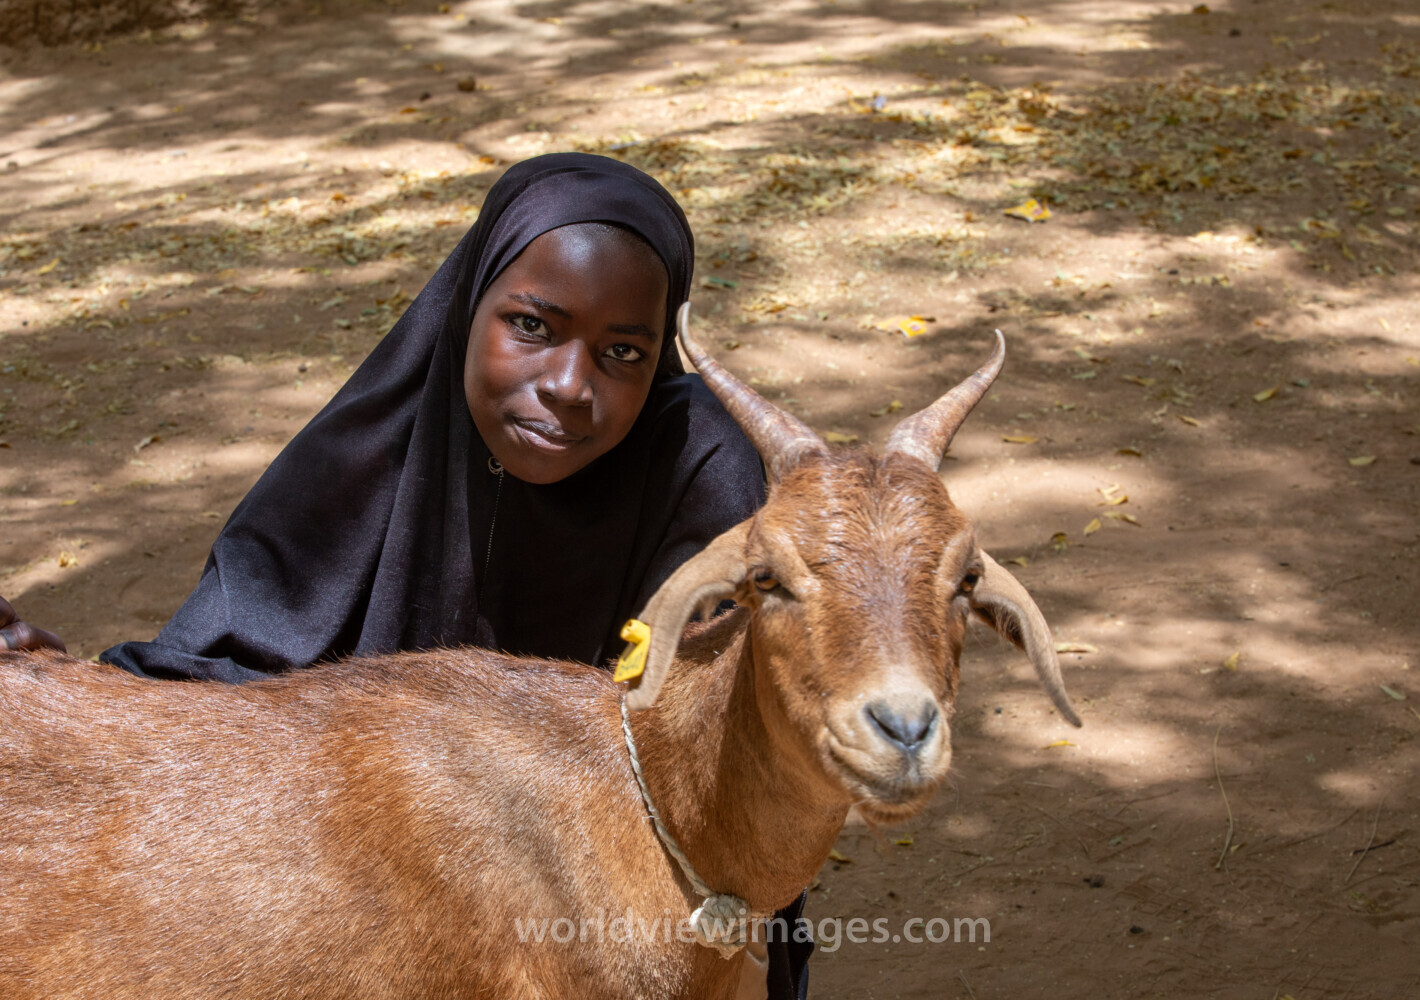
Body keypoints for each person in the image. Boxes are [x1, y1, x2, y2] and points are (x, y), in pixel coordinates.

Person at [0, 152, 812, 999]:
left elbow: (709, 768)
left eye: (622, 353)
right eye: (532, 326)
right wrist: (71, 702)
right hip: (357, 910)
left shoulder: (704, 468)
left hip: (600, 922)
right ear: (466, 311)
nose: (571, 386)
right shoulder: (367, 452)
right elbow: (227, 686)